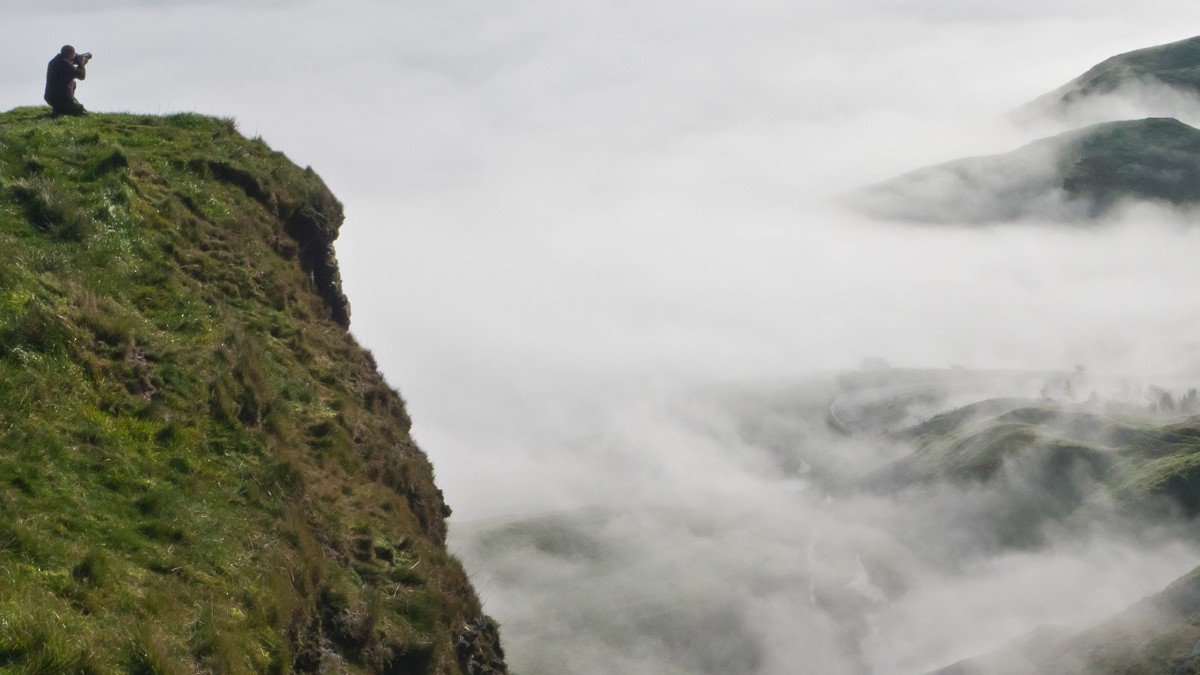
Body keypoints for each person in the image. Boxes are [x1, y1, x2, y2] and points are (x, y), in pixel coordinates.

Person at [45, 45, 90, 116]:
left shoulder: (53, 62)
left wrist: (78, 63)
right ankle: (64, 108)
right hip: (62, 99)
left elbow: (69, 73)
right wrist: (81, 63)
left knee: (73, 82)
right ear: (70, 54)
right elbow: (81, 76)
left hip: (50, 98)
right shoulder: (65, 63)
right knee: (81, 111)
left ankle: (59, 109)